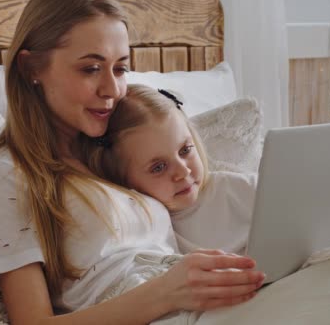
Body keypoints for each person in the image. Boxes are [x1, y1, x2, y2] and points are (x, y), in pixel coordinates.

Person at [0, 0, 265, 324]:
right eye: (90, 69)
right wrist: (168, 292)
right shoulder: (8, 173)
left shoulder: (114, 152)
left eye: (120, 68)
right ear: (31, 68)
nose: (112, 90)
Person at [83, 84, 257, 255]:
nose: (183, 172)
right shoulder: (141, 229)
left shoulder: (241, 189)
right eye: (158, 167)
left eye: (185, 150)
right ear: (122, 179)